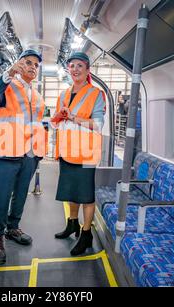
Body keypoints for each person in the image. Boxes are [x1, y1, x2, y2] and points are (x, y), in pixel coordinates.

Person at [0, 49, 47, 265]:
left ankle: (13, 228)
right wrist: (8, 74)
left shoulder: (37, 95)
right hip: (7, 151)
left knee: (20, 195)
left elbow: (36, 124)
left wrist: (38, 154)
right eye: (28, 62)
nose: (32, 67)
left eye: (36, 65)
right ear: (19, 64)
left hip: (30, 154)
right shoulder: (7, 85)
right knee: (1, 197)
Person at [51, 52, 105, 256]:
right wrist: (57, 117)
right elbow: (58, 122)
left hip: (86, 153)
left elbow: (98, 124)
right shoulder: (63, 94)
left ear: (87, 70)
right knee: (70, 191)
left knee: (86, 196)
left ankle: (86, 233)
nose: (75, 69)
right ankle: (72, 224)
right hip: (67, 150)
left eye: (79, 66)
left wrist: (74, 117)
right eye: (71, 66)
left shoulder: (95, 94)